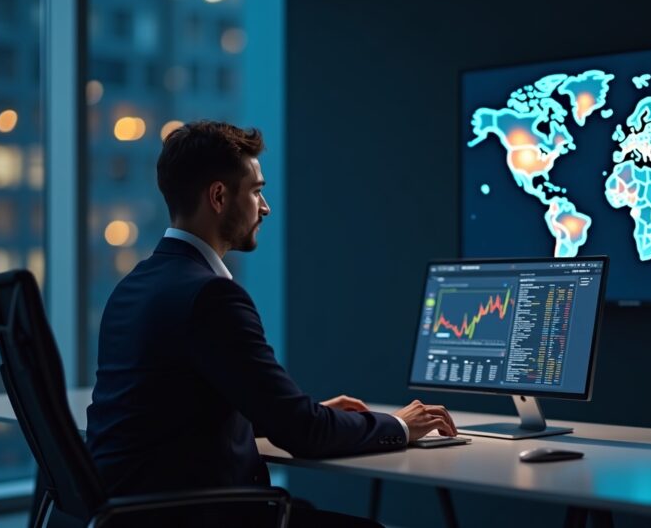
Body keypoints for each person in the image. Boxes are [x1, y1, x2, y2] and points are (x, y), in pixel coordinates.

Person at [85, 121, 457, 527]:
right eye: (256, 191)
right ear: (219, 196)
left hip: (132, 515)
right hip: (200, 517)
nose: (265, 208)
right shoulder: (211, 297)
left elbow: (179, 411)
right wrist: (400, 425)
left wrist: (296, 414)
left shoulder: (133, 287)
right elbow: (304, 434)